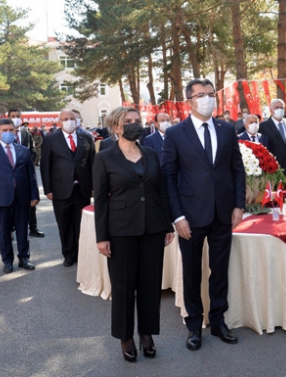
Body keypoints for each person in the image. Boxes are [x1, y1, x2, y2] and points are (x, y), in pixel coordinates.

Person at [162, 78, 246, 351]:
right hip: (190, 216)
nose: (207, 99)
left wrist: (238, 205)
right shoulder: (175, 134)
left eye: (211, 94)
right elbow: (169, 176)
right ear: (189, 101)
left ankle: (219, 320)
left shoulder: (226, 129)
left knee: (219, 270)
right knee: (192, 273)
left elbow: (236, 170)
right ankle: (194, 325)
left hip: (223, 213)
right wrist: (177, 217)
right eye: (200, 95)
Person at [93, 106, 175, 362]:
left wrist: (167, 225)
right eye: (128, 121)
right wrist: (101, 236)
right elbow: (101, 201)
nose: (134, 124)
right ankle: (125, 336)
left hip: (152, 228)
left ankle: (147, 333)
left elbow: (160, 192)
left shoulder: (151, 154)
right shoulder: (104, 158)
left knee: (150, 285)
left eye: (137, 121)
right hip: (120, 231)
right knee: (124, 286)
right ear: (116, 127)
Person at [0, 119, 40, 273]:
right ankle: (7, 261)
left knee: (22, 229)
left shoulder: (23, 150)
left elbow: (31, 175)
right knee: (4, 231)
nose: (8, 133)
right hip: (0, 197)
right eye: (4, 130)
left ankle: (24, 258)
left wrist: (35, 195)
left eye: (11, 130)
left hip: (22, 196)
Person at [40, 109, 95, 267]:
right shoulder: (51, 140)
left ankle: (81, 252)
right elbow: (45, 166)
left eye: (72, 118)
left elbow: (92, 163)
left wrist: (93, 186)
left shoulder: (86, 138)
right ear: (60, 121)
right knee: (64, 223)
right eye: (66, 119)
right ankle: (68, 254)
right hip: (60, 189)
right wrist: (48, 189)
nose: (69, 121)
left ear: (77, 120)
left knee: (82, 224)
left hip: (83, 189)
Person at [8, 109, 44, 238]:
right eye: (13, 116)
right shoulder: (5, 134)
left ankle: (33, 227)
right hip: (10, 173)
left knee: (31, 200)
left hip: (25, 172)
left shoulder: (26, 133)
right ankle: (11, 229)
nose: (16, 118)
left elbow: (33, 150)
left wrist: (30, 164)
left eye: (18, 116)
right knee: (11, 201)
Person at [258, 99, 286, 177]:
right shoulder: (263, 126)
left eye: (282, 107)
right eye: (277, 107)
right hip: (274, 169)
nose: (280, 109)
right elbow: (262, 148)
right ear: (271, 110)